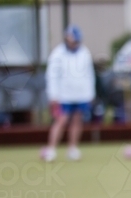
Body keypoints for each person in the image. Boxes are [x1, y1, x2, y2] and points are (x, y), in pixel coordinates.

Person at [42, 25, 95, 162]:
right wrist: (53, 96)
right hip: (63, 95)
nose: (73, 42)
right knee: (61, 120)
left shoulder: (84, 52)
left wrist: (90, 94)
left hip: (81, 94)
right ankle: (51, 149)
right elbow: (52, 76)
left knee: (77, 120)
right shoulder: (57, 54)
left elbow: (90, 75)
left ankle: (73, 149)